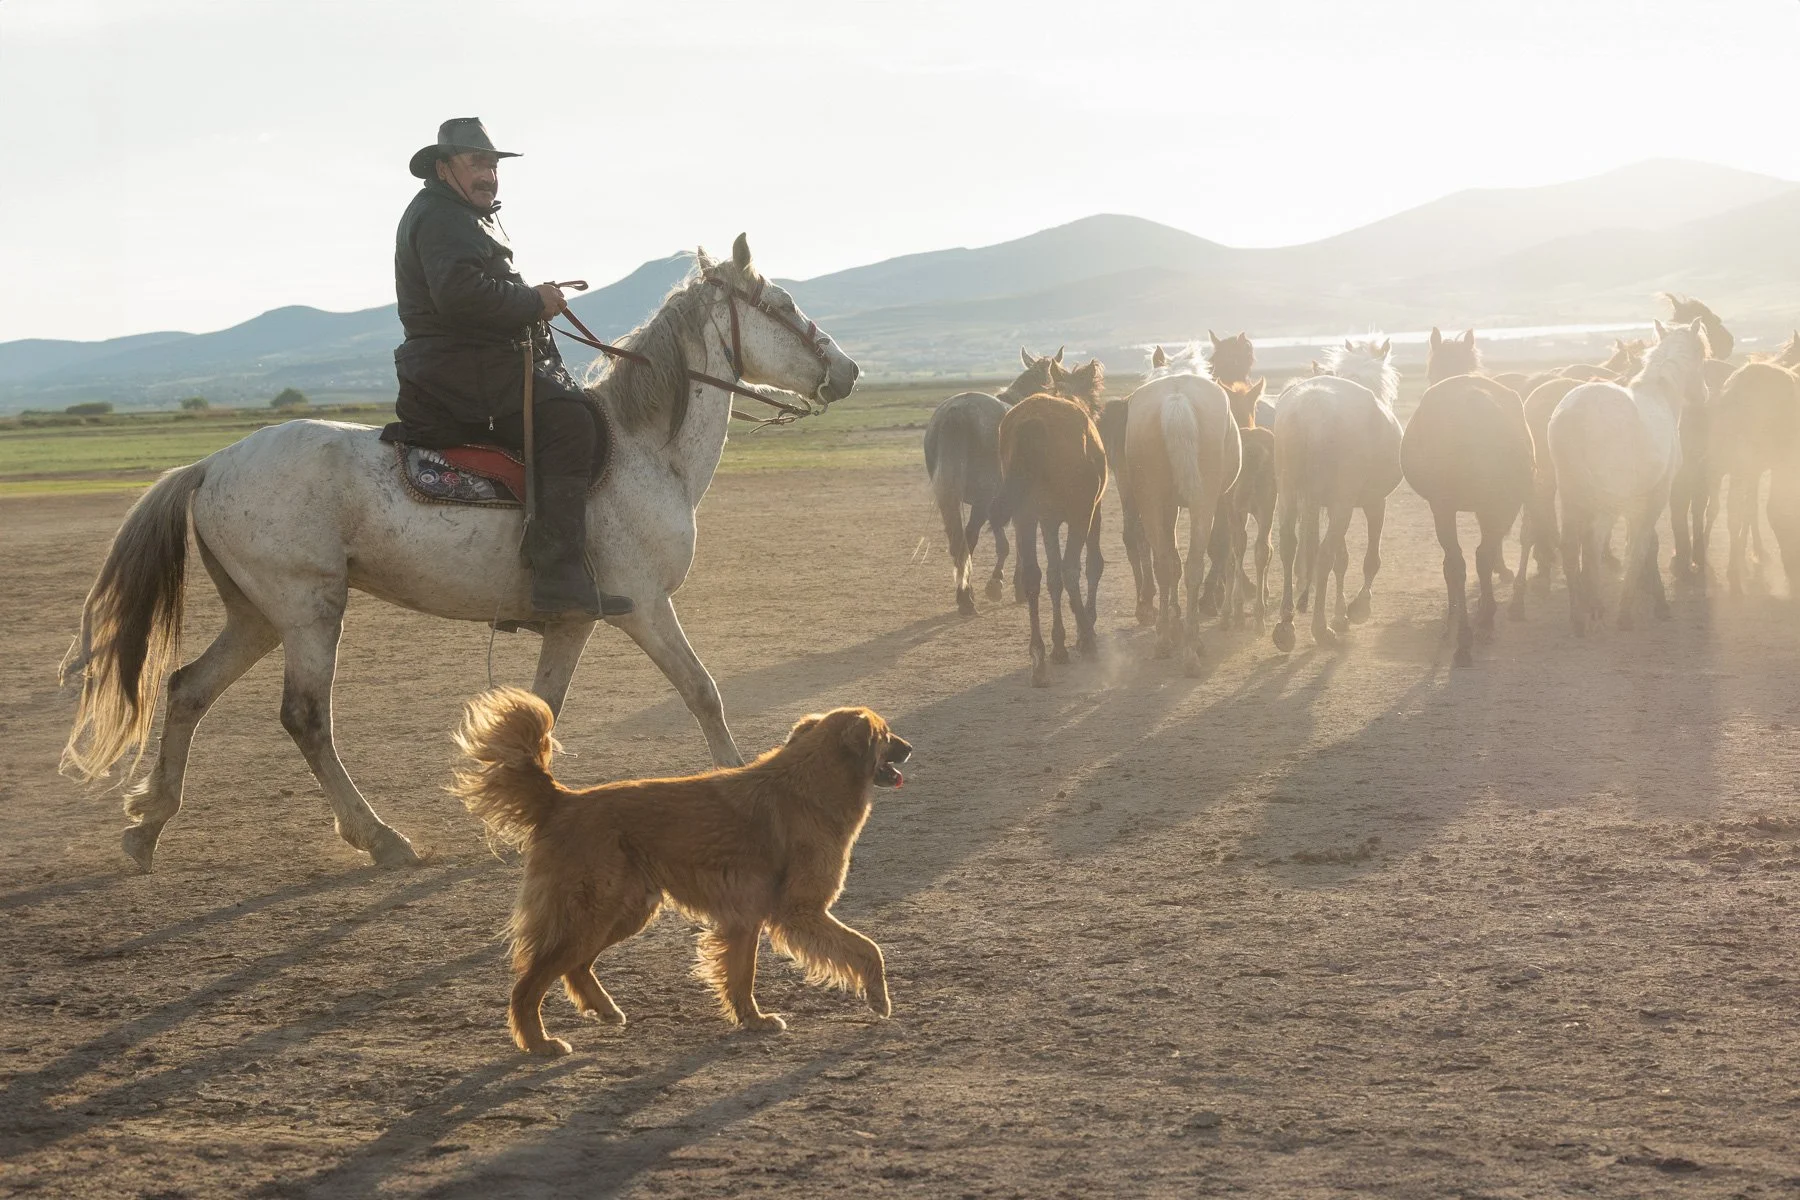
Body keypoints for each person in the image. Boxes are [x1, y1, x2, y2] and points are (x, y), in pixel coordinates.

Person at [380, 117, 632, 619]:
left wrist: (528, 300)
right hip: (457, 369)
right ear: (444, 166)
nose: (489, 174)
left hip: (462, 364)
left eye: (493, 164)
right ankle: (558, 579)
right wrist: (530, 301)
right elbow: (459, 297)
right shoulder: (442, 217)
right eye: (477, 163)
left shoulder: (454, 215)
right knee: (570, 421)